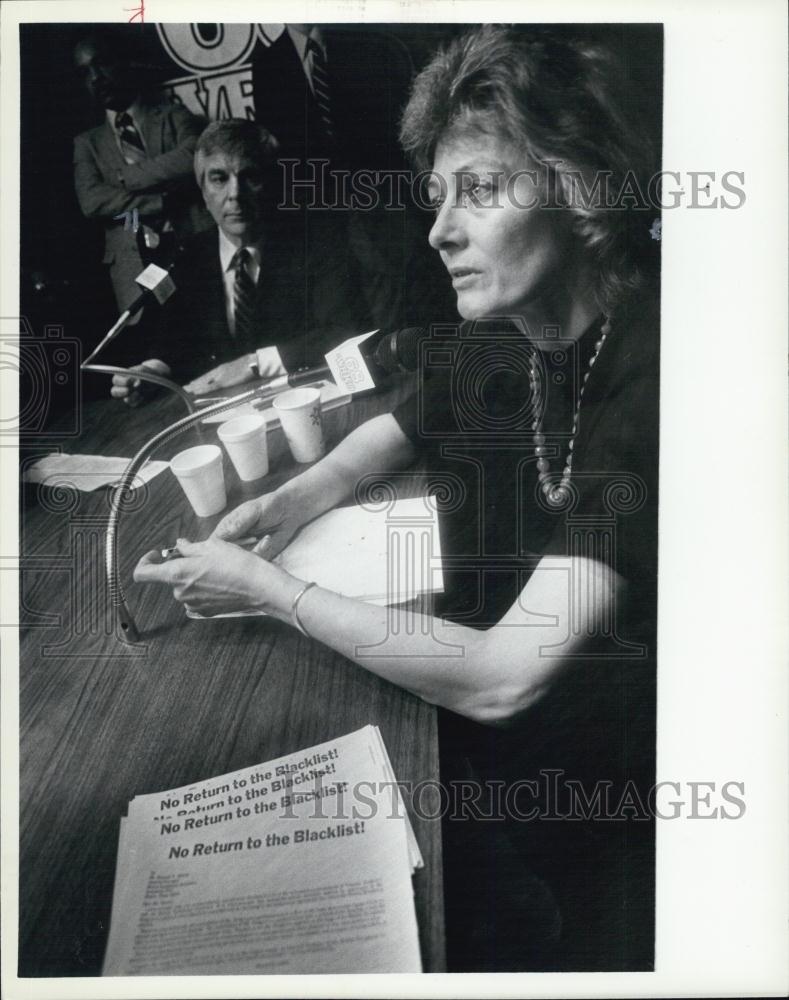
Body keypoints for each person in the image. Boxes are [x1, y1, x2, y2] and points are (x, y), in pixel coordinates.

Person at [135, 25, 660, 971]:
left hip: (619, 816)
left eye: (481, 190)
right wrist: (286, 503)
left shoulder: (653, 368)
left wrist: (269, 591)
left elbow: (505, 675)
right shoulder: (512, 328)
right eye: (435, 197)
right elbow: (371, 446)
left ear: (581, 187)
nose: (438, 230)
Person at [109, 119, 373, 403]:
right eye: (219, 178)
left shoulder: (317, 243)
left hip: (308, 402)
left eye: (250, 177)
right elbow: (174, 337)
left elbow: (345, 332)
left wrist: (253, 364)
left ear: (272, 184)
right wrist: (151, 371)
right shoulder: (186, 257)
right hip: (217, 414)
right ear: (203, 191)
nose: (235, 194)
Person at [73, 30, 209, 317]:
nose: (96, 77)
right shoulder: (87, 143)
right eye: (85, 73)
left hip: (196, 250)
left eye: (102, 63)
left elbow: (193, 157)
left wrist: (126, 177)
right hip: (133, 272)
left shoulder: (174, 116)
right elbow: (92, 201)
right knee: (151, 355)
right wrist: (160, 201)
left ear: (124, 62)